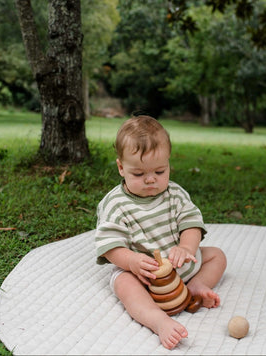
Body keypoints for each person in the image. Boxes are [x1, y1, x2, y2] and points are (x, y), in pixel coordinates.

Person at [95, 115, 227, 349]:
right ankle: (158, 320)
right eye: (138, 174)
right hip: (146, 276)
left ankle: (195, 285)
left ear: (168, 164)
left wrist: (186, 247)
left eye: (159, 172)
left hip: (178, 266)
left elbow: (191, 223)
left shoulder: (175, 194)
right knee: (123, 282)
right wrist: (132, 260)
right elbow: (110, 246)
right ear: (121, 168)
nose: (150, 180)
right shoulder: (115, 204)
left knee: (217, 255)